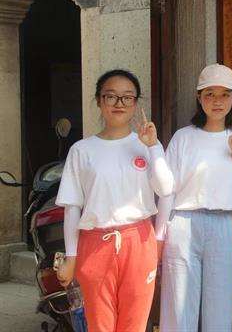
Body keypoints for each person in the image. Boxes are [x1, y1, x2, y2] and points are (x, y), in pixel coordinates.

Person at [56, 69, 173, 332]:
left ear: (136, 103)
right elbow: (72, 206)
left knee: (135, 323)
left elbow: (166, 189)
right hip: (95, 244)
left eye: (127, 97)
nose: (119, 103)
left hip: (139, 241)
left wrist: (154, 147)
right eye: (111, 96)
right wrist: (71, 257)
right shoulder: (82, 150)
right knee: (100, 324)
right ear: (99, 101)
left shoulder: (147, 146)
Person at [155, 63, 232, 332]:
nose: (217, 101)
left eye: (224, 94)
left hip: (222, 223)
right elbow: (168, 190)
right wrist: (159, 236)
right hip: (183, 223)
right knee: (179, 307)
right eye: (209, 94)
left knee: (220, 306)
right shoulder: (183, 138)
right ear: (199, 98)